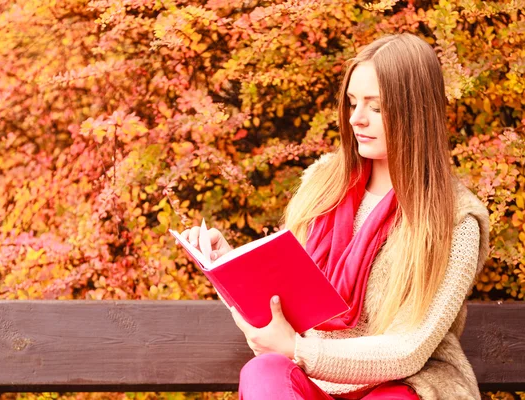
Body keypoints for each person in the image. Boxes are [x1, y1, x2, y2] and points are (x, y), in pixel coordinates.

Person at [180, 33, 489, 400]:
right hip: (314, 384)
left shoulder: (455, 221)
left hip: (405, 386)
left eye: (375, 107)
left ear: (415, 112)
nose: (356, 119)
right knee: (264, 371)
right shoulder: (322, 184)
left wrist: (298, 350)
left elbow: (409, 349)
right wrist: (228, 266)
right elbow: (284, 300)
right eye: (352, 103)